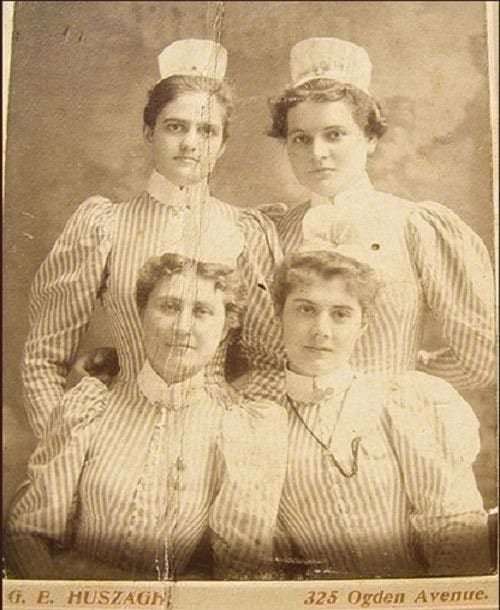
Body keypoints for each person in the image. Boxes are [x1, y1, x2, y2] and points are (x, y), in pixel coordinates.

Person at [21, 38, 282, 440]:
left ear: (223, 145)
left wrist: (235, 431)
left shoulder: (246, 231)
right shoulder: (105, 225)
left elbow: (272, 363)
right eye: (175, 126)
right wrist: (66, 446)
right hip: (115, 437)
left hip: (213, 438)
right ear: (149, 131)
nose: (190, 143)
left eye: (206, 130)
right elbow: (43, 358)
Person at [234, 224, 490, 578]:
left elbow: (455, 528)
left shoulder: (403, 402)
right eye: (305, 310)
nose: (321, 330)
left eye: (341, 314)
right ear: (279, 316)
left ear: (363, 326)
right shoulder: (252, 417)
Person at [6, 217, 254, 580]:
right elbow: (28, 534)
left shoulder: (236, 429)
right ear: (142, 314)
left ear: (226, 326)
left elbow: (235, 574)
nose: (182, 326)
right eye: (169, 307)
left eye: (202, 311)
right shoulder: (89, 408)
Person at [260, 37, 495, 390]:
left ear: (369, 138)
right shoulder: (271, 232)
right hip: (288, 418)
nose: (317, 152)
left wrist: (399, 383)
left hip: (388, 417)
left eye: (334, 135)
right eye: (301, 138)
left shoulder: (414, 227)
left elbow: (480, 361)